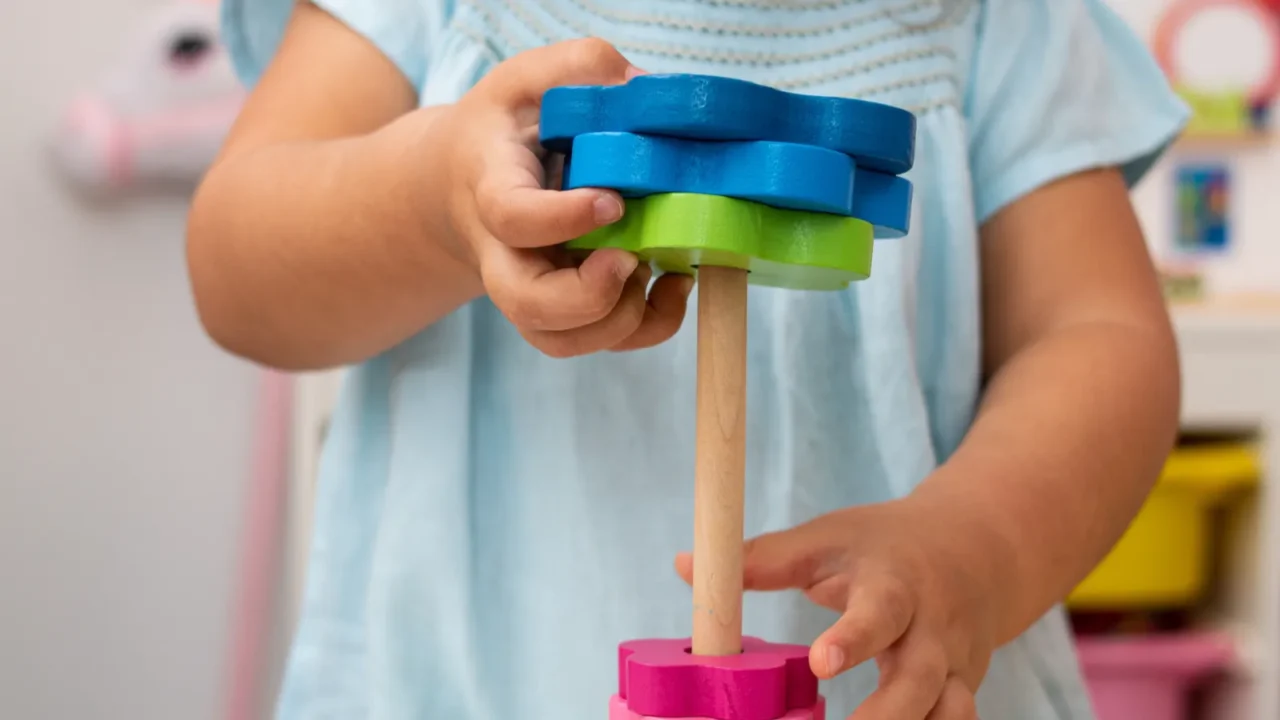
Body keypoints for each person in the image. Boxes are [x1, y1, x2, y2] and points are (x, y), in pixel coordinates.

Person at [188, 1, 1188, 718]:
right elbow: (236, 268)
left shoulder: (993, 23)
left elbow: (1095, 337)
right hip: (456, 683)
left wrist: (978, 547)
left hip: (884, 693)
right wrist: (430, 202)